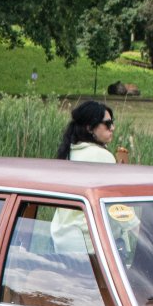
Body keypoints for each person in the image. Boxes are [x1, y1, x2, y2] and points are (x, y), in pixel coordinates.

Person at [51, 101, 117, 253]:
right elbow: (115, 202)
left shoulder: (69, 152)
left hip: (62, 237)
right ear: (90, 128)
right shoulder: (102, 156)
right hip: (87, 239)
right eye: (107, 124)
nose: (112, 128)